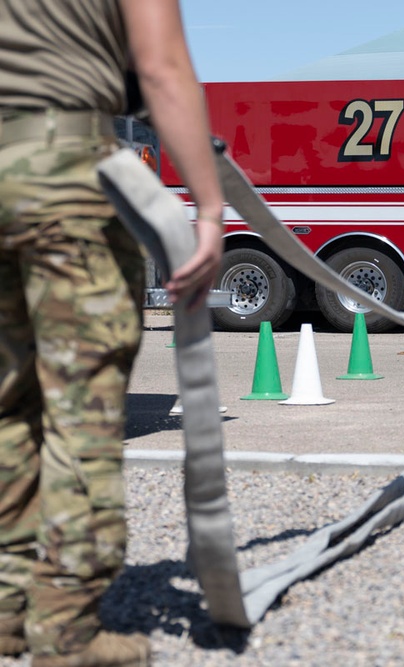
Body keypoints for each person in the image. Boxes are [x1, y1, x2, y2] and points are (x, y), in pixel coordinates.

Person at [0, 0, 224, 664]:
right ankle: (66, 625)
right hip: (62, 167)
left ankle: (7, 605)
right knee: (84, 404)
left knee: (7, 401)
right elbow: (160, 65)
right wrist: (208, 209)